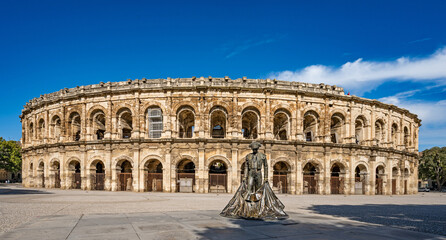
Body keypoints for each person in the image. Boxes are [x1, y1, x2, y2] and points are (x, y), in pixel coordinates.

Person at [220, 141, 288, 220]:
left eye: (256, 149)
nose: (254, 150)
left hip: (258, 173)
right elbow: (246, 167)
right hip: (251, 173)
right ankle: (247, 208)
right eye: (253, 149)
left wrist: (266, 177)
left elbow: (266, 167)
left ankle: (259, 207)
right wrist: (245, 177)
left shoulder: (262, 156)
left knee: (258, 190)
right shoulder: (248, 156)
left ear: (258, 148)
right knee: (249, 189)